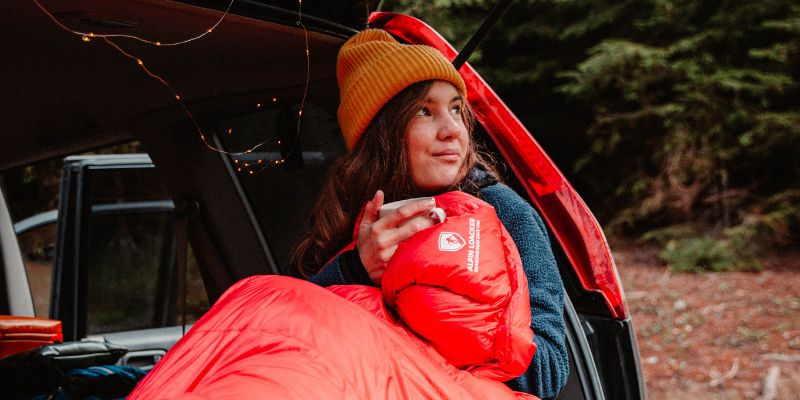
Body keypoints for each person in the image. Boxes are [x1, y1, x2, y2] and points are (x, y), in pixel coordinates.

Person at [291, 29, 569, 399]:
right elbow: (291, 337)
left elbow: (549, 372)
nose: (453, 130)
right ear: (381, 133)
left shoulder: (505, 215)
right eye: (425, 111)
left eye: (456, 108)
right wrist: (357, 270)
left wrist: (454, 314)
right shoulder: (344, 220)